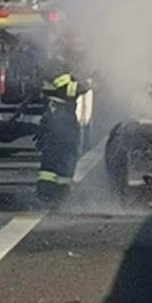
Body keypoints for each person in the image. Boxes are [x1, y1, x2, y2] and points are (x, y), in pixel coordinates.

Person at [36, 34, 87, 204]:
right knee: (55, 152)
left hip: (66, 113)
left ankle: (62, 190)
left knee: (69, 151)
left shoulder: (66, 64)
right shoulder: (55, 64)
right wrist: (87, 85)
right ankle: (47, 191)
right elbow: (65, 89)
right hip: (57, 113)